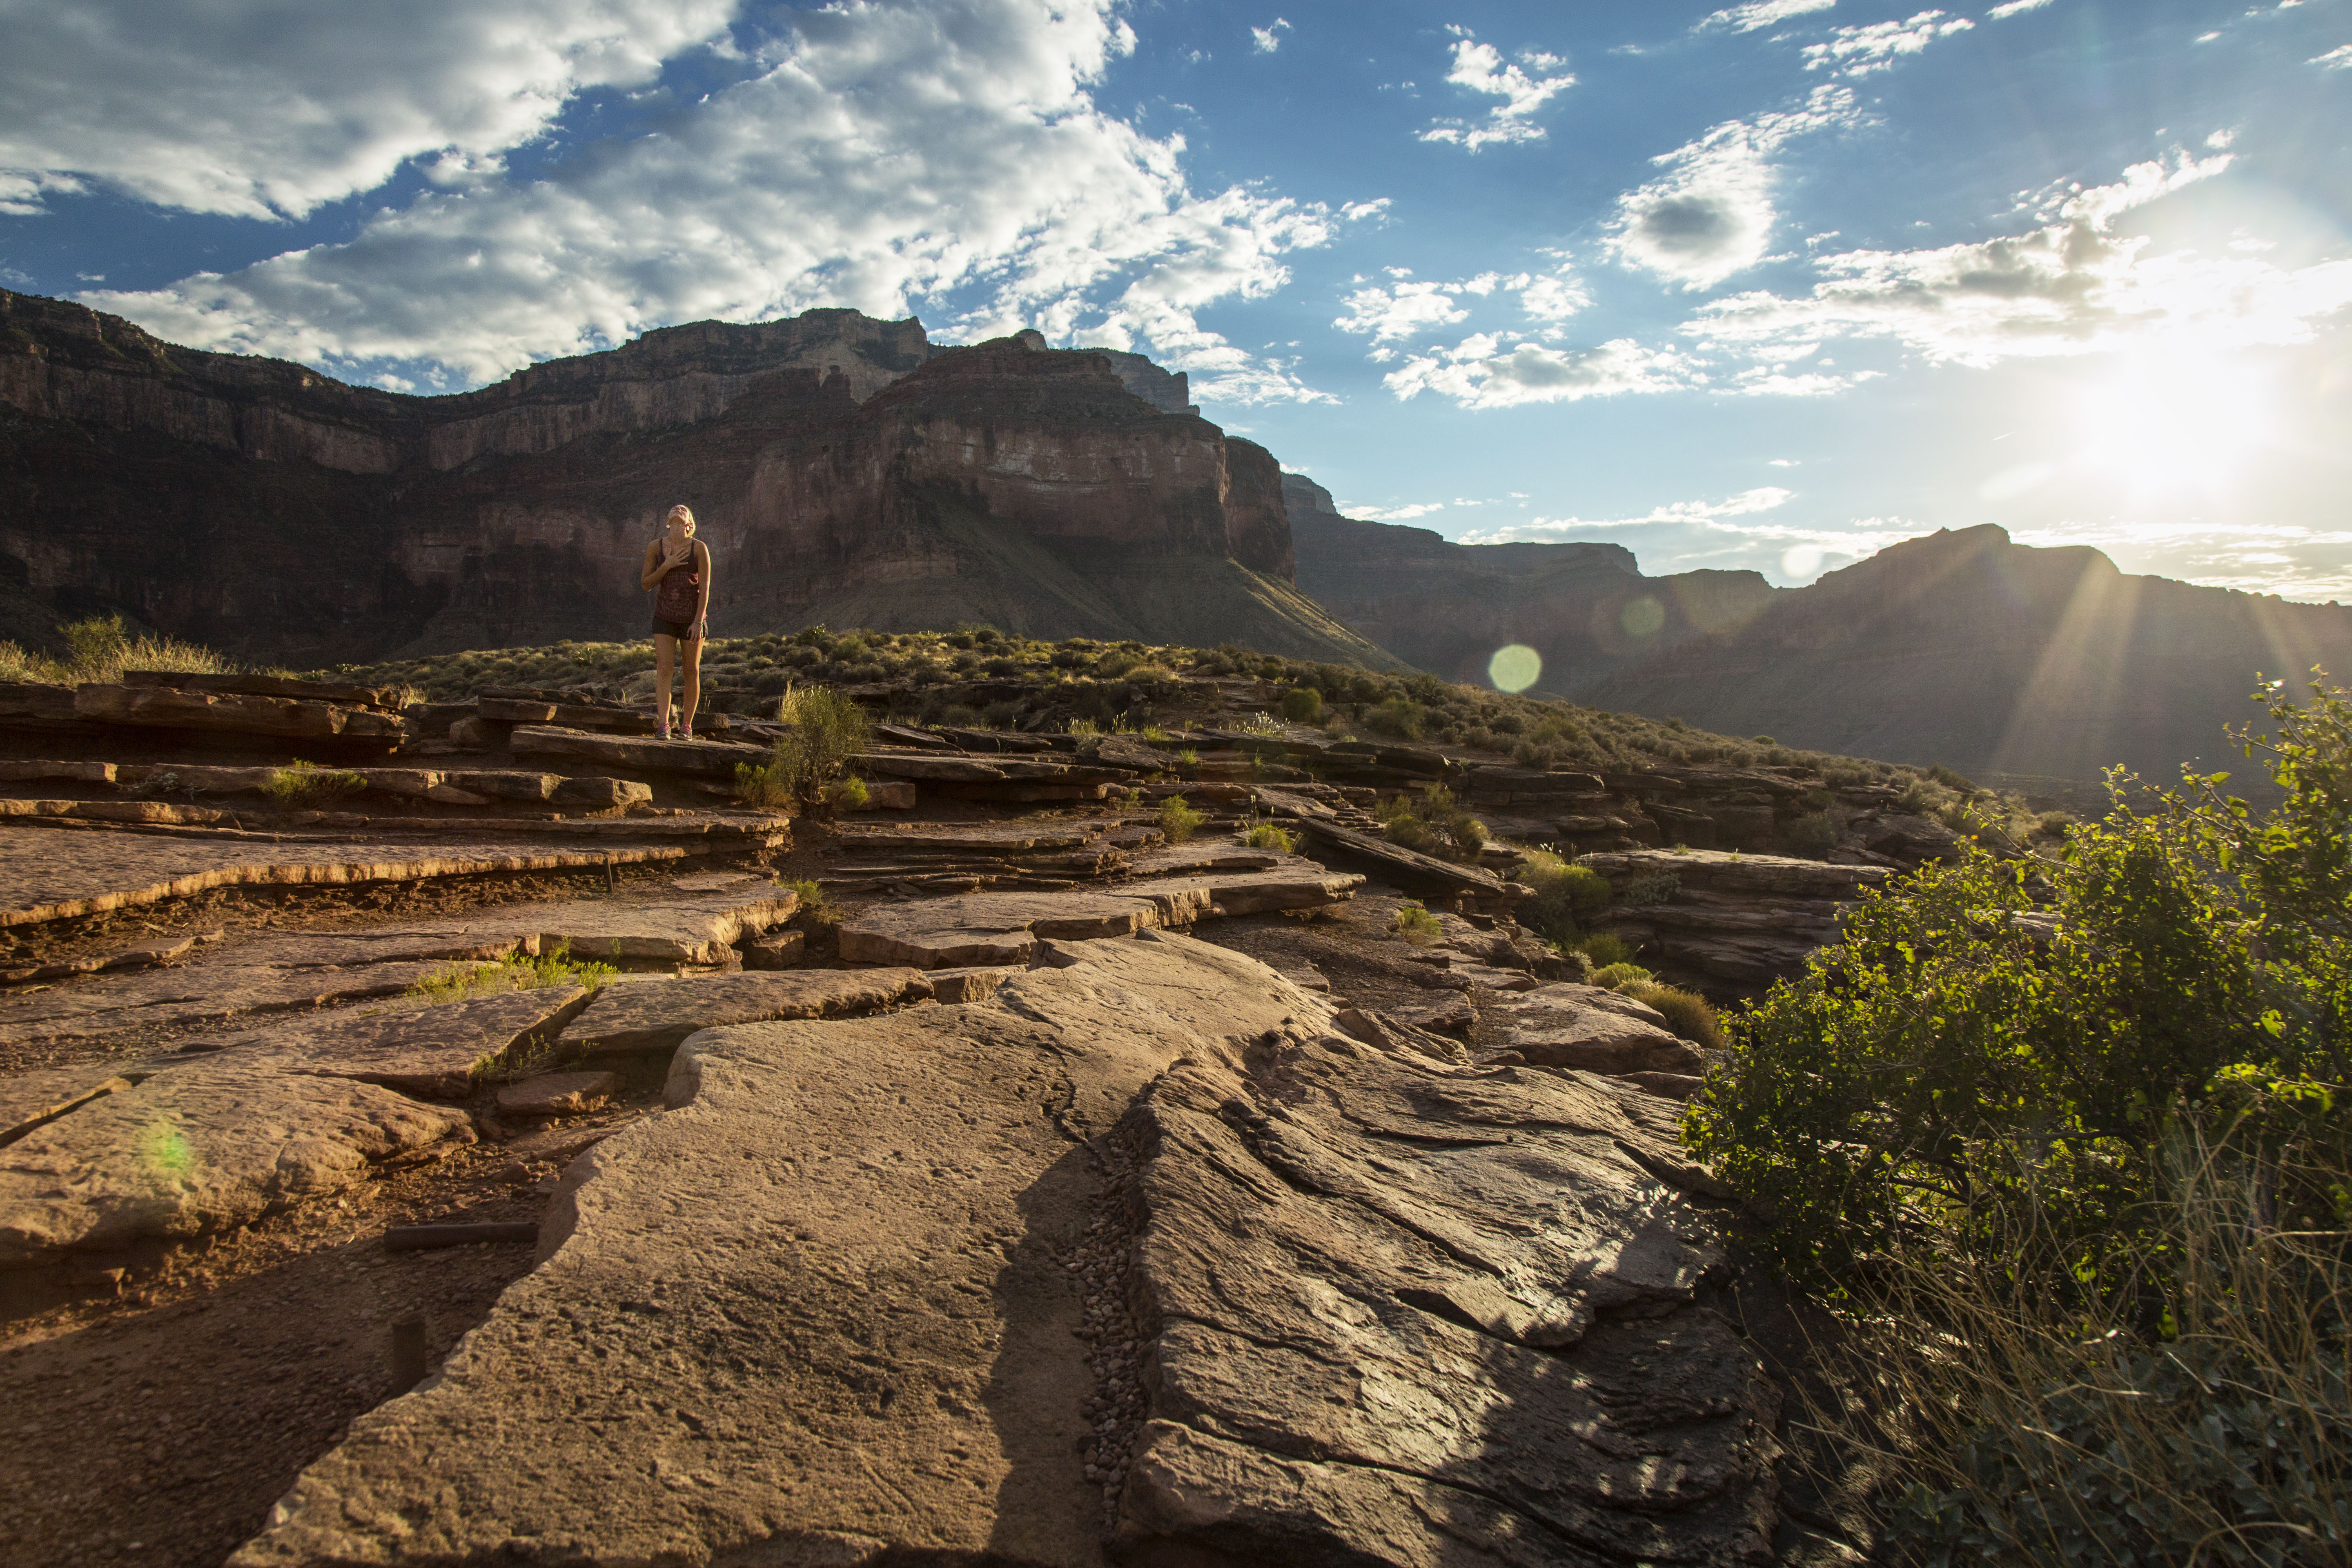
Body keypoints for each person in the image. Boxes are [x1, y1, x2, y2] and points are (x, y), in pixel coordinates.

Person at [639, 503, 713, 739]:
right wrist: (667, 565)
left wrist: (699, 621)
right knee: (664, 669)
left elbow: (705, 588)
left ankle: (687, 727)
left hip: (692, 619)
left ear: (689, 524)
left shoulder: (699, 548)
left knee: (691, 671)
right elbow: (646, 584)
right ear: (669, 521)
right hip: (664, 617)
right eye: (675, 509)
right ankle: (664, 725)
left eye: (684, 510)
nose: (679, 508)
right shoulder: (656, 548)